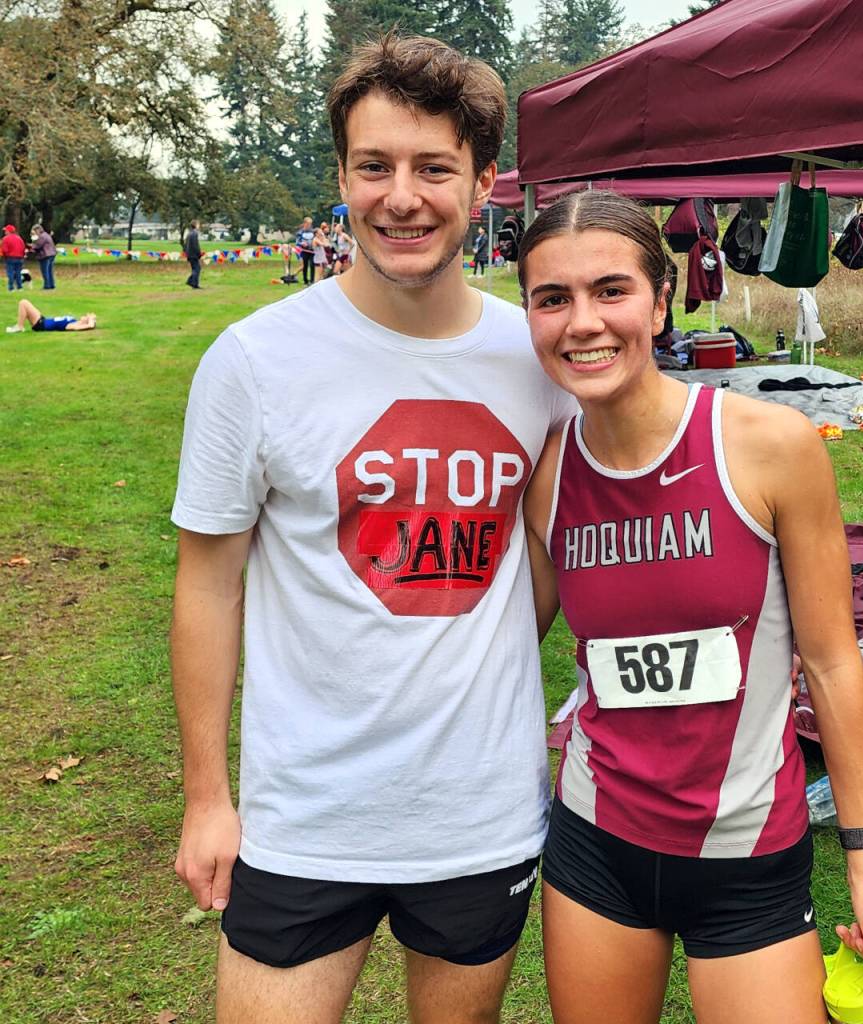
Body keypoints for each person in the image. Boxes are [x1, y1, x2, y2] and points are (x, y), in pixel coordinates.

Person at [170, 31, 574, 1024]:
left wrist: (474, 665)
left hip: (477, 813)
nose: (402, 196)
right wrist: (206, 797)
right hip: (306, 815)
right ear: (343, 177)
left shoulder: (537, 359)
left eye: (434, 167)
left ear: (483, 184)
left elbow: (548, 557)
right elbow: (207, 583)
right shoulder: (253, 361)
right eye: (374, 166)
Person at [518, 191, 863, 1024]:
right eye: (552, 298)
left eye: (610, 290)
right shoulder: (549, 473)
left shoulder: (770, 445)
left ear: (662, 299)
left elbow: (834, 660)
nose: (582, 322)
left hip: (748, 858)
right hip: (597, 844)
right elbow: (506, 639)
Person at [6, 298, 96, 333]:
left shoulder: (74, 325)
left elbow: (90, 326)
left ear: (86, 321)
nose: (85, 315)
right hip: (43, 320)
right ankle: (19, 326)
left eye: (86, 317)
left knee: (23, 302)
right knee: (24, 305)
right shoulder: (74, 320)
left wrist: (91, 319)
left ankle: (19, 326)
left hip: (41, 324)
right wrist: (90, 318)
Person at [31, 223, 57, 289]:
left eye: (35, 231)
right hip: (51, 254)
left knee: (45, 271)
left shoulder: (42, 236)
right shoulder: (46, 235)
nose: (34, 232)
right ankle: (51, 284)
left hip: (45, 255)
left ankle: (47, 285)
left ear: (38, 230)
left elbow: (38, 245)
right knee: (49, 271)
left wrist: (32, 244)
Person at [2, 224, 26, 292]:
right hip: (20, 258)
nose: (5, 232)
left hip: (10, 258)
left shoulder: (5, 239)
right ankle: (20, 287)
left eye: (6, 231)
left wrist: (5, 256)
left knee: (10, 273)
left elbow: (4, 250)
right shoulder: (19, 238)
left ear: (8, 231)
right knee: (18, 273)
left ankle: (11, 287)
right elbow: (23, 248)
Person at [295, 216, 316, 285]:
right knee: (305, 265)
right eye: (308, 224)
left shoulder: (313, 231)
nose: (309, 225)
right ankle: (305, 280)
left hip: (312, 251)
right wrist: (302, 243)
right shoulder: (300, 232)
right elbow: (297, 242)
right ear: (305, 223)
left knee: (312, 264)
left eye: (310, 224)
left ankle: (312, 280)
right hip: (304, 251)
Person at [184, 221, 203, 289]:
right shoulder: (195, 234)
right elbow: (195, 245)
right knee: (197, 269)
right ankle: (191, 282)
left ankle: (194, 284)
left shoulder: (189, 233)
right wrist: (199, 253)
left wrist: (186, 253)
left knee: (195, 269)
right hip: (194, 255)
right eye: (198, 224)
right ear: (195, 225)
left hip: (189, 254)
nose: (199, 225)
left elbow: (186, 245)